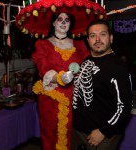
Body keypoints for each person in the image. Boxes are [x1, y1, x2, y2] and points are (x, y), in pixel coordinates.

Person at [15, 1, 107, 150]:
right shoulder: (43, 44)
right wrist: (59, 78)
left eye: (67, 20)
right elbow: (43, 69)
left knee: (76, 136)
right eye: (60, 19)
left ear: (71, 23)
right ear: (53, 23)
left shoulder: (80, 45)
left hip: (77, 98)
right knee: (52, 135)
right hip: (52, 99)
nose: (64, 23)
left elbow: (89, 65)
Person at [71, 19, 132, 150]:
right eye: (93, 35)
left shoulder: (118, 67)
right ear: (88, 40)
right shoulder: (87, 60)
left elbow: (124, 106)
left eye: (102, 34)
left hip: (101, 136)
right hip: (78, 130)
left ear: (111, 38)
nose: (97, 39)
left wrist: (103, 131)